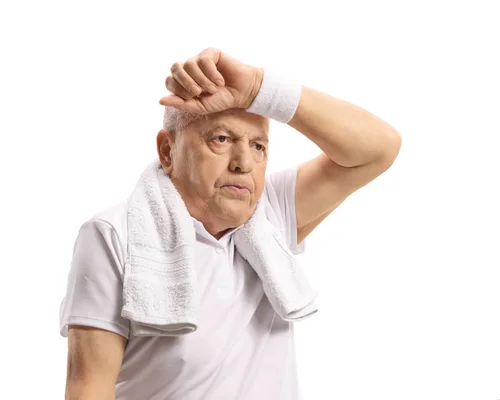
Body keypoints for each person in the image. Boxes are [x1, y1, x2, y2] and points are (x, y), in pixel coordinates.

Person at [59, 47, 402, 399]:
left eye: (258, 146)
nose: (244, 163)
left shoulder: (272, 216)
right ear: (167, 151)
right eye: (221, 139)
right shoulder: (114, 235)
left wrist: (259, 88)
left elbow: (378, 148)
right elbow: (89, 389)